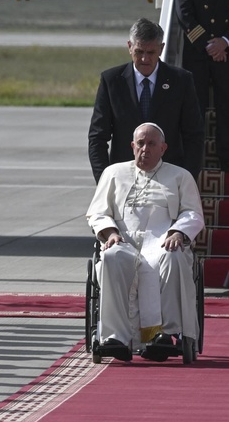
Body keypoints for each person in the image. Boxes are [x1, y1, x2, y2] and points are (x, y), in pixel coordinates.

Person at [86, 123, 203, 362]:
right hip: (123, 239)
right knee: (111, 256)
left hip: (162, 241)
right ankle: (115, 337)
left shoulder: (180, 176)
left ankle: (166, 334)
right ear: (132, 146)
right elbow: (97, 212)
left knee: (173, 257)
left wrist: (178, 233)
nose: (145, 149)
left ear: (163, 148)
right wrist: (110, 234)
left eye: (151, 144)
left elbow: (193, 214)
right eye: (140, 143)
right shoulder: (113, 173)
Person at [88, 18, 203, 183]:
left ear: (161, 49)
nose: (144, 59)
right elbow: (97, 137)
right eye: (139, 52)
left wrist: (186, 179)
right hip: (124, 178)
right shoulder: (111, 81)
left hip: (169, 177)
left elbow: (194, 135)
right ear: (130, 47)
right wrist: (104, 180)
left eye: (151, 53)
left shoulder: (181, 81)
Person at [175, 0, 229, 169]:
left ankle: (226, 164)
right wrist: (210, 45)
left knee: (226, 112)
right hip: (198, 56)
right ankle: (192, 167)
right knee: (194, 112)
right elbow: (184, 15)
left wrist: (224, 42)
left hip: (226, 55)